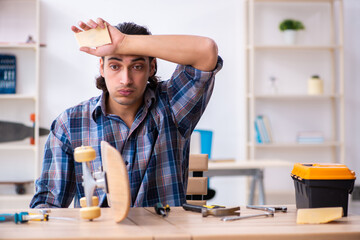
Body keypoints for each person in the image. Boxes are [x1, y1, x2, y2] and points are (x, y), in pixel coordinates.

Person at [30, 18, 222, 208]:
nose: (126, 79)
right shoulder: (70, 124)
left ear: (152, 67)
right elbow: (48, 204)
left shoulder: (172, 105)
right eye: (115, 66)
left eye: (137, 66)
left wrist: (123, 42)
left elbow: (206, 50)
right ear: (102, 67)